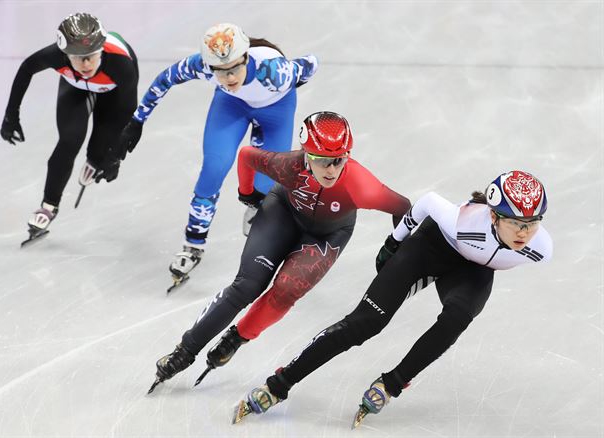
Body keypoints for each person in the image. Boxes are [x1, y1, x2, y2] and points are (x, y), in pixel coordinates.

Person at [236, 170, 553, 427]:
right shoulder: (462, 221)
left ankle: (393, 383)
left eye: (531, 223)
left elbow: (518, 243)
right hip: (430, 250)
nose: (523, 233)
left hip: (471, 273)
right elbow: (427, 202)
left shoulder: (541, 248)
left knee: (458, 317)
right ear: (494, 217)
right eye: (514, 223)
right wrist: (394, 242)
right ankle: (281, 383)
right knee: (365, 323)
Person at [146, 111, 412, 394]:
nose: (331, 170)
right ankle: (185, 350)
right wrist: (247, 195)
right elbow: (247, 155)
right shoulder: (289, 165)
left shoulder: (361, 184)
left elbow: (403, 207)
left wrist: (395, 247)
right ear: (306, 154)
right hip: (282, 214)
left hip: (327, 235)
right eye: (322, 160)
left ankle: (237, 338)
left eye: (339, 160)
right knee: (247, 286)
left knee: (286, 289)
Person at [115, 23, 318, 281]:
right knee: (214, 167)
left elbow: (311, 64)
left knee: (266, 183)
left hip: (276, 109)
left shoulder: (276, 72)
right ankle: (193, 245)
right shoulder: (200, 65)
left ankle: (255, 204)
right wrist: (137, 120)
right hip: (231, 105)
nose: (230, 78)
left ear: (246, 57)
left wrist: (284, 90)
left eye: (235, 68)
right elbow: (165, 79)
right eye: (221, 72)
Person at [0, 13, 139, 237]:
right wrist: (11, 115)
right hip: (75, 90)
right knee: (69, 141)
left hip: (112, 94)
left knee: (99, 151)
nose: (85, 64)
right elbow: (27, 68)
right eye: (77, 57)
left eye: (91, 56)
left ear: (101, 50)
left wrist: (115, 156)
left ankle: (94, 159)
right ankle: (48, 205)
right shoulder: (55, 56)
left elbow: (127, 112)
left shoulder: (121, 64)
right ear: (64, 54)